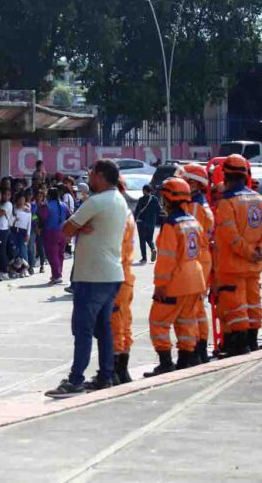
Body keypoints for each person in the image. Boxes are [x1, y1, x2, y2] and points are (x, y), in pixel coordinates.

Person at [45, 160, 128, 398]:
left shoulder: (96, 201)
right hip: (112, 274)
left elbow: (66, 229)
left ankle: (75, 380)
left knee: (82, 329)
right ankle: (105, 376)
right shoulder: (119, 200)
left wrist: (79, 227)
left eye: (91, 173)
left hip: (92, 275)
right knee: (103, 329)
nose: (89, 177)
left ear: (100, 176)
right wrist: (81, 227)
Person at [143, 178, 207, 376]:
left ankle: (165, 363)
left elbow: (166, 259)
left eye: (164, 198)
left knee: (158, 322)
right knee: (187, 322)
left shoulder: (171, 225)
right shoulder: (193, 221)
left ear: (169, 199)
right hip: (195, 281)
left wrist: (160, 285)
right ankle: (185, 361)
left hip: (175, 284)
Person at [214, 154, 262, 355]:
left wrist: (249, 253)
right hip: (254, 264)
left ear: (226, 176)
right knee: (253, 302)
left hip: (233, 266)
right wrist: (261, 250)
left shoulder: (227, 203)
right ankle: (252, 341)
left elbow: (231, 237)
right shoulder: (260, 199)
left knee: (236, 306)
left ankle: (239, 346)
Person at [181, 163, 215, 363]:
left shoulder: (193, 207)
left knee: (190, 308)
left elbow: (188, 237)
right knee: (199, 308)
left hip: (195, 261)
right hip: (202, 259)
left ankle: (192, 351)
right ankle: (200, 348)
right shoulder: (201, 205)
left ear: (193, 184)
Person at [111, 178, 137, 384]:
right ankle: (123, 370)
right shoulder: (127, 214)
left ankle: (115, 371)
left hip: (116, 275)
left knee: (114, 325)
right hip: (126, 274)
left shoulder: (117, 215)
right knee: (125, 323)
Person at [39, 188, 70, 284]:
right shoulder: (65, 205)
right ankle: (57, 273)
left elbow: (42, 218)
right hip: (63, 231)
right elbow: (69, 216)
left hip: (51, 232)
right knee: (60, 254)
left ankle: (57, 275)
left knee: (52, 254)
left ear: (49, 195)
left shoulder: (47, 206)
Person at [134, 185, 162, 263]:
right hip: (151, 223)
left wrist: (135, 219)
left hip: (141, 223)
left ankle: (144, 258)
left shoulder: (141, 199)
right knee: (149, 238)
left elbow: (137, 211)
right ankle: (153, 249)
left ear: (144, 191)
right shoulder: (155, 199)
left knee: (142, 240)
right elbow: (159, 210)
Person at [0, 189, 13, 280]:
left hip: (3, 230)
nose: (6, 196)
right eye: (5, 195)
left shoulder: (8, 204)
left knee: (2, 251)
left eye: (8, 195)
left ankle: (4, 271)